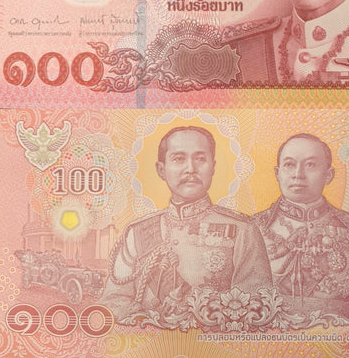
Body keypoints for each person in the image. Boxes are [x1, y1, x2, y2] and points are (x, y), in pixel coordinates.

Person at [100, 126, 272, 324]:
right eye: (178, 159)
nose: (191, 168)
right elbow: (114, 301)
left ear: (213, 167)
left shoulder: (243, 230)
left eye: (200, 159)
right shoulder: (136, 232)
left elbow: (256, 308)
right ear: (161, 170)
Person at [253, 133, 349, 318]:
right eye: (289, 165)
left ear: (328, 175)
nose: (298, 175)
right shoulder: (253, 228)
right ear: (278, 173)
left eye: (310, 165)